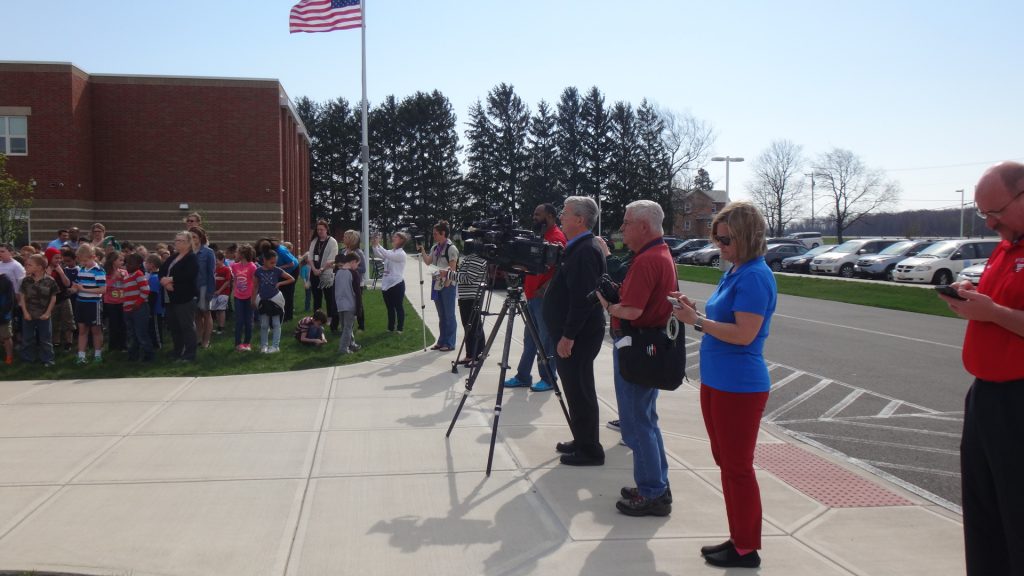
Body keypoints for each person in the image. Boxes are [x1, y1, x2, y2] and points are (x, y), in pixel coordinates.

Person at [671, 201, 777, 569]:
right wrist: (694, 310)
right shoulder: (735, 271)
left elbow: (744, 334)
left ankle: (746, 547)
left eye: (725, 239)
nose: (719, 246)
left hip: (740, 386)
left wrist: (696, 321)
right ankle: (739, 538)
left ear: (747, 237)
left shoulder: (754, 276)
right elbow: (721, 317)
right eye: (715, 239)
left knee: (737, 468)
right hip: (718, 382)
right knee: (726, 462)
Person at [938, 162, 1024, 576]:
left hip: (1018, 399)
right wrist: (973, 301)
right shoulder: (1007, 248)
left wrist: (993, 311)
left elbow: (1005, 315)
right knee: (984, 513)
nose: (990, 223)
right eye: (983, 214)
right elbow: (998, 311)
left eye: (997, 212)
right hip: (986, 396)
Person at [596, 200, 677, 516]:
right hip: (649, 348)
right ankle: (656, 483)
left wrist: (610, 305)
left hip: (637, 348)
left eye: (627, 222)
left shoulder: (646, 261)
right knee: (647, 419)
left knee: (636, 423)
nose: (622, 228)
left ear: (644, 226)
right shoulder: (659, 254)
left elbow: (633, 310)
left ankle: (652, 492)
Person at [543, 196, 607, 466]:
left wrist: (568, 336)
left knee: (580, 389)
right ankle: (582, 439)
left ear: (580, 220)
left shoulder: (584, 251)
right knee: (575, 388)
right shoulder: (579, 247)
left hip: (578, 337)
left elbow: (583, 299)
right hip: (575, 335)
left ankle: (590, 449)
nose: (561, 217)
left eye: (565, 213)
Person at [505, 203, 567, 392]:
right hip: (532, 297)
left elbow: (561, 270)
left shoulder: (556, 238)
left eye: (537, 214)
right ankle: (523, 376)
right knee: (530, 339)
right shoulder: (540, 236)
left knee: (545, 340)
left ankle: (549, 378)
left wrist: (544, 289)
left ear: (550, 216)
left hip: (544, 299)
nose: (534, 217)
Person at [419, 220, 459, 351]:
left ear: (443, 234)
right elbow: (428, 262)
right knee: (441, 315)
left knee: (449, 315)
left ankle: (450, 343)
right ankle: (441, 341)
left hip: (447, 285)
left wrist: (447, 284)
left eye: (436, 234)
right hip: (436, 284)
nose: (434, 236)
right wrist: (422, 250)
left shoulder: (451, 248)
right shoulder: (435, 248)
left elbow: (452, 268)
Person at [160, 232, 199, 362]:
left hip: (185, 297)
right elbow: (162, 270)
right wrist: (164, 282)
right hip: (170, 297)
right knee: (174, 326)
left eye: (181, 240)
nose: (177, 243)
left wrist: (171, 280)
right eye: (176, 240)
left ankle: (189, 354)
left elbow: (189, 274)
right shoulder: (173, 257)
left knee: (186, 326)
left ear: (188, 243)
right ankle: (177, 350)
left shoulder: (191, 258)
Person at [19, 254, 58, 366]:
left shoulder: (50, 281)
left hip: (44, 315)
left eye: (30, 265)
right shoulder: (26, 280)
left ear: (40, 267)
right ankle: (27, 359)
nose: (26, 266)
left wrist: (47, 313)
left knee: (45, 339)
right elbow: (22, 297)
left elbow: (53, 298)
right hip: (28, 315)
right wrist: (25, 312)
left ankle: (48, 360)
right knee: (27, 338)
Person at [71, 243, 106, 364]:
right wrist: (74, 289)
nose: (83, 263)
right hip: (81, 302)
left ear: (93, 257)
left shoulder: (99, 271)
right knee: (82, 330)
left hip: (93, 303)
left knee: (96, 330)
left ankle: (97, 354)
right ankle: (81, 355)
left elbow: (103, 289)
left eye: (85, 260)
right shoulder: (81, 270)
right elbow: (77, 285)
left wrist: (84, 289)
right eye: (81, 261)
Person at [254, 249, 294, 354]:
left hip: (275, 300)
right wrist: (253, 299)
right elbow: (255, 286)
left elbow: (291, 279)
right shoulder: (258, 271)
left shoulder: (277, 270)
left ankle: (275, 346)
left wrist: (280, 284)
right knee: (264, 324)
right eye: (271, 262)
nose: (274, 264)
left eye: (275, 262)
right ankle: (264, 346)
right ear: (264, 260)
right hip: (263, 299)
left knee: (276, 323)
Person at [454, 252, 488, 366]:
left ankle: (474, 356)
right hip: (466, 297)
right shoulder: (470, 257)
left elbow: (469, 278)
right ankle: (473, 354)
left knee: (472, 327)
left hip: (472, 297)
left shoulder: (478, 258)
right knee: (471, 326)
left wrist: (449, 274)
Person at [372, 231, 408, 333]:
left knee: (398, 307)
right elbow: (379, 254)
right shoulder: (391, 252)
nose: (393, 238)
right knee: (390, 308)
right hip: (386, 284)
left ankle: (400, 328)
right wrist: (375, 245)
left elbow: (386, 254)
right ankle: (390, 328)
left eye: (396, 237)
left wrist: (378, 244)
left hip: (397, 284)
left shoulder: (401, 254)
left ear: (401, 240)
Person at [306, 220, 339, 330]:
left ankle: (329, 317)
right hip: (314, 273)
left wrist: (321, 269)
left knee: (329, 297)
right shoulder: (314, 241)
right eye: (318, 229)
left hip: (327, 274)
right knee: (316, 297)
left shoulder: (332, 241)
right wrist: (314, 269)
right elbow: (310, 257)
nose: (320, 231)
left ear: (326, 230)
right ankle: (316, 319)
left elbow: (332, 258)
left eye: (322, 229)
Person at [121, 253, 154, 362]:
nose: (128, 265)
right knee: (132, 333)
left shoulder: (139, 274)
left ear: (139, 264)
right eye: (127, 263)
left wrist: (138, 302)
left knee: (141, 333)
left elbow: (145, 290)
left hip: (139, 308)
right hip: (128, 309)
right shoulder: (126, 276)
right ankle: (133, 355)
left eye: (131, 263)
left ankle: (148, 355)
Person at [191, 227, 216, 348]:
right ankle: (199, 339)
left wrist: (210, 291)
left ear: (200, 238)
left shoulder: (208, 252)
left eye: (194, 237)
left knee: (206, 313)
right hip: (191, 288)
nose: (192, 239)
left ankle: (206, 341)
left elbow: (211, 273)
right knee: (196, 315)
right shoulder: (188, 252)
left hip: (204, 287)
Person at [46, 248, 75, 353]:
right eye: (56, 258)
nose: (58, 260)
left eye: (59, 258)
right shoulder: (44, 269)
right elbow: (44, 285)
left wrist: (61, 272)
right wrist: (49, 273)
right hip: (51, 300)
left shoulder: (62, 268)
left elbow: (67, 284)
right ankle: (56, 341)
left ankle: (69, 342)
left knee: (68, 320)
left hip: (63, 297)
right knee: (54, 321)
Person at [231, 244, 258, 352]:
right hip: (238, 297)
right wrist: (234, 292)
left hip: (249, 298)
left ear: (242, 254)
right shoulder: (234, 266)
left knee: (248, 321)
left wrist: (253, 299)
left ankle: (247, 343)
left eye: (237, 252)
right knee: (239, 321)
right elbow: (235, 280)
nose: (235, 254)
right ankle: (237, 344)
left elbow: (255, 285)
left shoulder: (252, 267)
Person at [333, 252, 359, 355]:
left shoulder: (338, 272)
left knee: (345, 326)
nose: (357, 267)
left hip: (340, 304)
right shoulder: (353, 273)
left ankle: (351, 344)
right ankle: (343, 349)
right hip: (350, 304)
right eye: (357, 264)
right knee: (348, 327)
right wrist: (359, 309)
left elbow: (335, 290)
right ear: (353, 262)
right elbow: (358, 293)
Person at [102, 250, 127, 352]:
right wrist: (114, 278)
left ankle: (123, 345)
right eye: (120, 260)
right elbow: (105, 287)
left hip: (122, 302)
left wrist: (125, 278)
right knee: (113, 325)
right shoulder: (106, 273)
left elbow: (128, 284)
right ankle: (113, 346)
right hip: (111, 303)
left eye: (123, 260)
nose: (122, 262)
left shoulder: (124, 272)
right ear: (113, 261)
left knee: (123, 324)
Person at [342, 230, 367, 331]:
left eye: (345, 237)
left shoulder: (358, 252)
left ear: (351, 239)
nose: (343, 238)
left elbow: (363, 269)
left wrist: (351, 267)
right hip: (344, 282)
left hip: (356, 283)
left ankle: (361, 326)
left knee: (358, 304)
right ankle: (346, 324)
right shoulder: (343, 251)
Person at [144, 254, 164, 350]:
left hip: (156, 308)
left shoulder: (154, 278)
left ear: (152, 265)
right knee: (152, 327)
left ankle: (158, 344)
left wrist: (150, 309)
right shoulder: (152, 276)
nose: (145, 264)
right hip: (153, 308)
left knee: (156, 327)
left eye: (147, 262)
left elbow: (153, 295)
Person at [211, 250, 231, 335]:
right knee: (216, 310)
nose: (215, 262)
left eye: (217, 260)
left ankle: (221, 327)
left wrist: (219, 290)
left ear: (222, 259)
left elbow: (227, 281)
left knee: (221, 310)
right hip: (214, 293)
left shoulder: (226, 269)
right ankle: (218, 326)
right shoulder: (214, 269)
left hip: (223, 293)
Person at [0, 273, 14, 365]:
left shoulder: (6, 280)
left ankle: (9, 357)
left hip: (3, 314)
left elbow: (10, 299)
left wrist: (4, 312)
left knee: (6, 336)